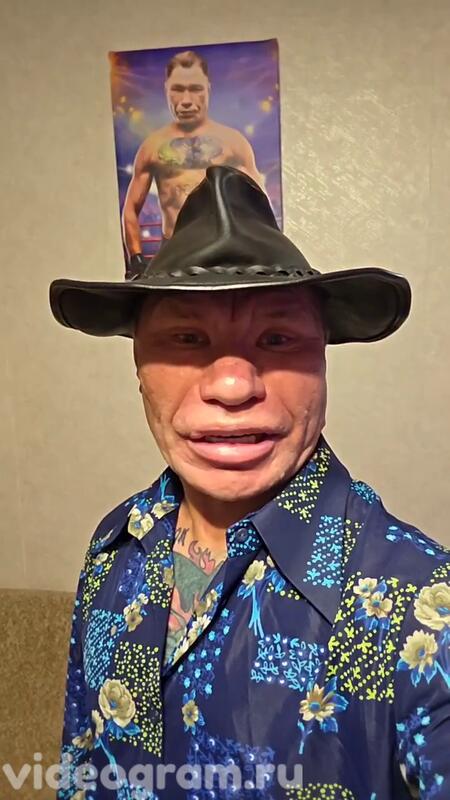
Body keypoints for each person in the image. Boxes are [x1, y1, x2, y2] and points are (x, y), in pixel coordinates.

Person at [50, 166, 450, 800]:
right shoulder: (115, 544)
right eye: (187, 337)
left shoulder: (425, 605)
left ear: (322, 362)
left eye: (277, 338)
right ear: (138, 364)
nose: (233, 385)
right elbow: (81, 767)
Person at [121, 50, 263, 278]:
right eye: (177, 89)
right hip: (172, 253)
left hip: (222, 251)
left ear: (208, 89)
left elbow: (260, 205)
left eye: (195, 89)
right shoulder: (151, 147)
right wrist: (135, 260)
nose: (186, 101)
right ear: (166, 90)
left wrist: (261, 256)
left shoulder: (233, 143)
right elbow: (130, 209)